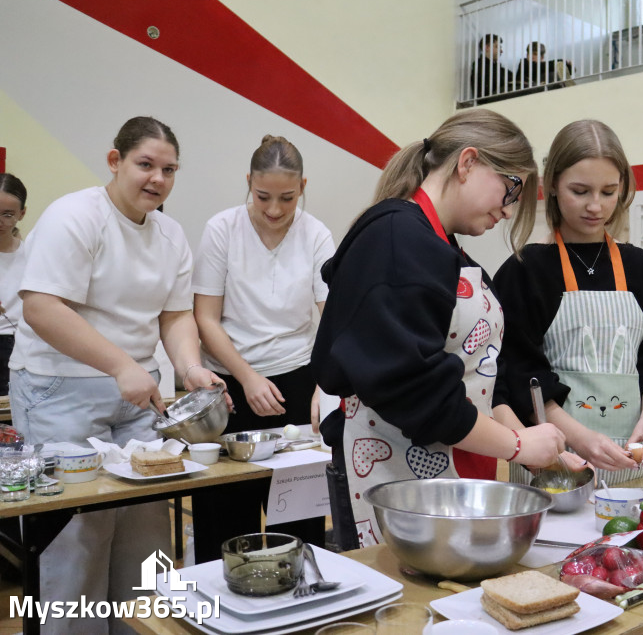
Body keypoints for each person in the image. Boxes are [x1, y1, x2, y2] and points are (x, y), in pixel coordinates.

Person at [8, 116, 224, 634]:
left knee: (146, 528)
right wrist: (120, 365)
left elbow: (175, 317)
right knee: (78, 536)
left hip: (140, 396)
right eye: (145, 165)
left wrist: (191, 367)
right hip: (59, 389)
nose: (157, 178)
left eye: (168, 169)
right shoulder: (75, 216)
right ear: (115, 161)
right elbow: (40, 306)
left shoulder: (170, 233)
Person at [311, 109, 566, 548]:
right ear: (467, 162)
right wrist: (517, 447)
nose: (507, 211)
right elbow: (418, 390)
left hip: (446, 473)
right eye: (511, 191)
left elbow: (477, 374)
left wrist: (521, 434)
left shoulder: (441, 246)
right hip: (391, 477)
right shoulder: (396, 237)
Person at [492, 120, 643, 487]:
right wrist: (578, 438)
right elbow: (519, 376)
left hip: (630, 467)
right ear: (552, 185)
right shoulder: (526, 270)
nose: (596, 206)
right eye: (580, 191)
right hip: (554, 468)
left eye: (608, 191)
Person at [192, 134, 334, 546]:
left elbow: (332, 322)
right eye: (263, 196)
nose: (274, 210)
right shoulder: (223, 228)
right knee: (226, 520)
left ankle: (297, 605)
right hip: (229, 386)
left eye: (288, 198)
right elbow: (206, 318)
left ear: (303, 187)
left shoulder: (316, 234)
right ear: (248, 182)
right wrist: (248, 377)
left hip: (295, 380)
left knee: (298, 526)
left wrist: (324, 386)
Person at [0, 173, 28, 395]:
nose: (0, 221)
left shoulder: (33, 254)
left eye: (7, 215)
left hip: (19, 345)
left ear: (22, 214)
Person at [470, 33, 513, 100]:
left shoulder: (501, 70)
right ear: (487, 47)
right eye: (497, 47)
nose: (501, 51)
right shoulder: (479, 66)